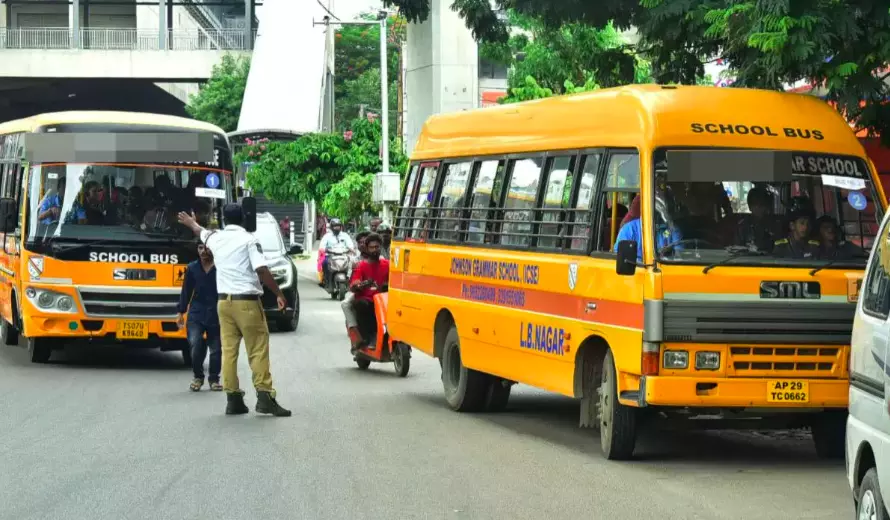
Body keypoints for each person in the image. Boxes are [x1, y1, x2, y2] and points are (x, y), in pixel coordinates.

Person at [177, 204, 291, 417]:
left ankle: (233, 399)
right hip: (246, 302)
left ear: (223, 218)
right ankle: (265, 396)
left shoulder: (216, 238)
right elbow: (261, 269)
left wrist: (190, 221)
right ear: (244, 218)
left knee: (229, 351)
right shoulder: (249, 240)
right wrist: (279, 293)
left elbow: (199, 231)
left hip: (224, 304)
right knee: (257, 349)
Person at [177, 242, 222, 392]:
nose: (203, 251)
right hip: (196, 312)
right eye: (200, 248)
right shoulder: (192, 268)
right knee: (195, 344)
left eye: (206, 248)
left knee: (216, 349)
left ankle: (214, 379)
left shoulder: (221, 268)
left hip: (217, 313)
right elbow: (186, 291)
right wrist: (180, 313)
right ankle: (198, 377)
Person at [348, 233, 389, 353]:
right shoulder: (361, 266)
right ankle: (369, 337)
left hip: (383, 300)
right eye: (372, 247)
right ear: (367, 249)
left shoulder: (387, 265)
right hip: (367, 300)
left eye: (377, 247)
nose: (375, 250)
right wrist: (359, 284)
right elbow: (355, 282)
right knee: (362, 305)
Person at [342, 231, 371, 352]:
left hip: (377, 291)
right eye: (360, 243)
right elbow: (350, 279)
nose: (363, 245)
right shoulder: (354, 261)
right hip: (358, 291)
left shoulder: (379, 258)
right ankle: (355, 334)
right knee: (346, 303)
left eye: (365, 242)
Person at [319, 218, 356, 287]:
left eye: (338, 226)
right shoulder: (327, 236)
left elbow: (350, 245)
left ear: (340, 226)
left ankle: (350, 280)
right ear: (331, 227)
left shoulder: (345, 235)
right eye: (335, 226)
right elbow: (322, 246)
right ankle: (325, 279)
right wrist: (322, 250)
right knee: (324, 262)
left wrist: (352, 250)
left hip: (344, 255)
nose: (337, 228)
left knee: (354, 263)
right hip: (330, 255)